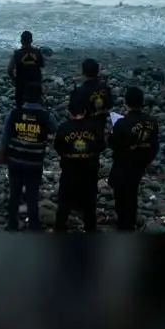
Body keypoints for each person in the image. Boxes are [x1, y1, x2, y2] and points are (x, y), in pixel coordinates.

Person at [0, 84, 58, 232]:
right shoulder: (46, 116)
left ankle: (12, 224)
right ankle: (34, 226)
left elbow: (5, 137)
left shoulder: (14, 113)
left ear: (24, 97)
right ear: (40, 97)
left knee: (14, 194)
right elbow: (55, 129)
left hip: (15, 161)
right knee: (32, 195)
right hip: (34, 162)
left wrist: (1, 155)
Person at [53, 95, 108, 233]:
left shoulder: (64, 128)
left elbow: (58, 147)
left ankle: (60, 230)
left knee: (64, 206)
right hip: (89, 174)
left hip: (69, 174)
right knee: (90, 209)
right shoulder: (95, 127)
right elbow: (101, 146)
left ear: (69, 112)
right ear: (84, 111)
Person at [109, 87, 160, 231]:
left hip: (124, 165)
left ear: (126, 103)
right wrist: (147, 159)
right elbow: (155, 144)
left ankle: (124, 225)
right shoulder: (152, 121)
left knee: (121, 195)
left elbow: (113, 144)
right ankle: (130, 222)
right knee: (132, 192)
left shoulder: (122, 123)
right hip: (140, 164)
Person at [69, 58, 111, 134]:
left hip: (84, 128)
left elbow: (73, 112)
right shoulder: (105, 88)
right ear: (98, 72)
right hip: (100, 125)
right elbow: (109, 106)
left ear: (83, 72)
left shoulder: (78, 91)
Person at [7, 30, 45, 107]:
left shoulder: (17, 53)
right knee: (37, 103)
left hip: (21, 84)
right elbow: (42, 65)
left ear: (21, 41)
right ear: (31, 41)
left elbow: (9, 69)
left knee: (20, 106)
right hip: (36, 84)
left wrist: (13, 78)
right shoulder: (37, 52)